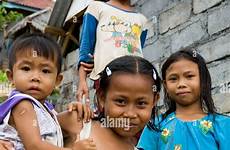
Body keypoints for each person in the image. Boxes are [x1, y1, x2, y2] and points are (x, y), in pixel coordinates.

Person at [0, 33, 96, 150]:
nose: (35, 77)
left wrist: (75, 110)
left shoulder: (45, 108)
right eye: (26, 68)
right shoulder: (22, 104)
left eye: (45, 71)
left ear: (57, 80)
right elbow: (34, 146)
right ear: (11, 76)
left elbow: (50, 125)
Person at [137, 49, 230, 150]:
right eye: (173, 79)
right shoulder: (155, 126)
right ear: (166, 86)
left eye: (189, 76)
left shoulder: (223, 125)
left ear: (203, 80)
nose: (181, 84)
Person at [64, 55, 161, 150]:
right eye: (121, 101)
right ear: (102, 98)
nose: (130, 114)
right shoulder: (79, 123)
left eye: (141, 103)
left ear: (154, 101)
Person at [77, 0, 149, 102]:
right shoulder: (96, 7)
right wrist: (82, 81)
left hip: (135, 79)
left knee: (132, 113)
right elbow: (86, 50)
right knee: (109, 111)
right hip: (106, 78)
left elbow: (138, 51)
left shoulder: (142, 20)